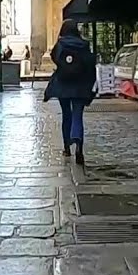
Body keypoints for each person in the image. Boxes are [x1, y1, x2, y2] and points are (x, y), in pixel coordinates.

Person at [43, 19, 98, 165]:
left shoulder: (60, 45)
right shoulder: (84, 45)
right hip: (80, 85)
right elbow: (89, 63)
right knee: (77, 115)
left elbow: (55, 58)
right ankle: (78, 144)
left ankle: (67, 146)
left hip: (63, 84)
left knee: (66, 114)